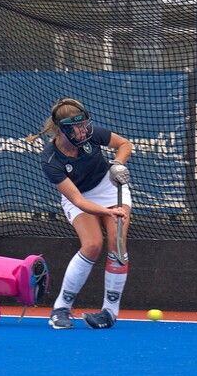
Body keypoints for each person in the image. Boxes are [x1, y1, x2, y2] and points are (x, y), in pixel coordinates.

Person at [29, 97, 132, 330]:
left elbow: (124, 144)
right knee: (92, 244)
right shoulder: (51, 160)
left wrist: (117, 164)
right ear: (62, 130)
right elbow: (77, 200)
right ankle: (61, 308)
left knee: (117, 243)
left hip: (108, 187)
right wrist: (107, 211)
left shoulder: (92, 133)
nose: (82, 130)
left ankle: (109, 312)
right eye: (75, 127)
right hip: (79, 197)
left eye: (84, 124)